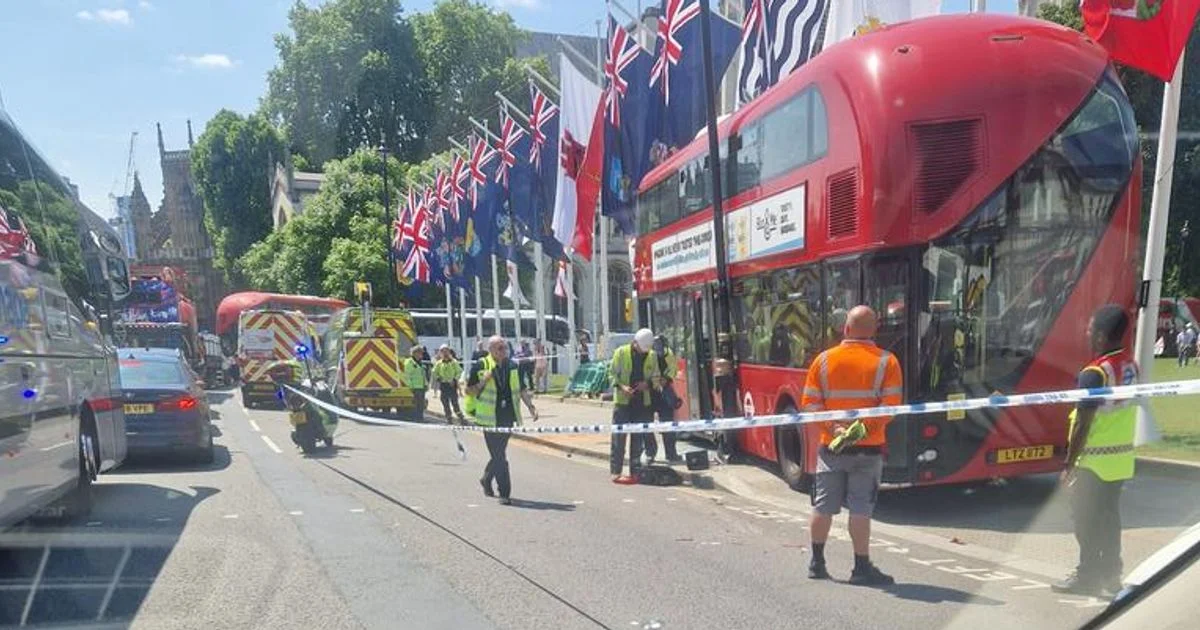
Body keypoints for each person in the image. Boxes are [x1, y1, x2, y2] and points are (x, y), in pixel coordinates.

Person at [800, 305, 902, 586]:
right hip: (868, 450)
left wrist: (835, 429)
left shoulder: (822, 360)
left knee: (822, 506)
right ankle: (861, 568)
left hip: (831, 448)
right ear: (875, 330)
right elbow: (891, 407)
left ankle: (817, 563)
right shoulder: (887, 361)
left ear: (845, 329)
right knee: (860, 509)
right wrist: (861, 430)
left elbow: (810, 404)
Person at [1052, 304, 1139, 596]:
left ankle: (1088, 575)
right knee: (1109, 519)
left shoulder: (1094, 373)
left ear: (1101, 336)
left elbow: (1083, 424)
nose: (1087, 334)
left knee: (1085, 520)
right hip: (1120, 459)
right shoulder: (1131, 366)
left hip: (1093, 460)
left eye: (1090, 329)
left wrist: (1069, 464)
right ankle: (1111, 575)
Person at [467, 335, 538, 505]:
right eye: (499, 348)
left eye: (504, 347)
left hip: (507, 417)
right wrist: (484, 380)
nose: (503, 351)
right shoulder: (481, 365)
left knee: (498, 454)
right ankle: (504, 492)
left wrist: (531, 406)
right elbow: (469, 391)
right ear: (490, 350)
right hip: (489, 418)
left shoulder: (513, 366)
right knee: (499, 456)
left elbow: (521, 389)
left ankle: (486, 478)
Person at [609, 328, 657, 482]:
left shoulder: (652, 356)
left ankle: (635, 471)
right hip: (623, 402)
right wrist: (622, 387)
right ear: (634, 342)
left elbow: (657, 377)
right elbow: (611, 374)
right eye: (640, 349)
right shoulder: (621, 353)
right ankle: (615, 471)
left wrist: (647, 384)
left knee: (637, 439)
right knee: (618, 438)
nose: (643, 352)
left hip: (642, 402)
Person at [643, 334, 681, 464]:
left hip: (664, 392)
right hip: (650, 392)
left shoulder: (668, 353)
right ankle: (650, 453)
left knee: (668, 424)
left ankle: (671, 453)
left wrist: (667, 378)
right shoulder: (646, 354)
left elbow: (674, 369)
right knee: (646, 424)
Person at [433, 344, 466, 423]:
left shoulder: (454, 362)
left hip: (452, 385)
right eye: (443, 351)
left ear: (449, 352)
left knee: (455, 403)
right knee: (445, 402)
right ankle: (449, 418)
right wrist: (439, 378)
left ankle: (461, 418)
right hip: (444, 385)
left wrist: (454, 379)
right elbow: (434, 372)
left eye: (446, 351)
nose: (445, 353)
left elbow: (459, 371)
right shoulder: (439, 363)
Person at [403, 345, 428, 416]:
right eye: (420, 353)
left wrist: (426, 384)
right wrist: (411, 386)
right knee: (416, 404)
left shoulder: (420, 363)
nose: (422, 355)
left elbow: (423, 375)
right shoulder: (409, 363)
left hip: (421, 386)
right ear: (415, 353)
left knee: (421, 404)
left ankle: (420, 417)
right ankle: (416, 417)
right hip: (414, 387)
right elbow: (407, 376)